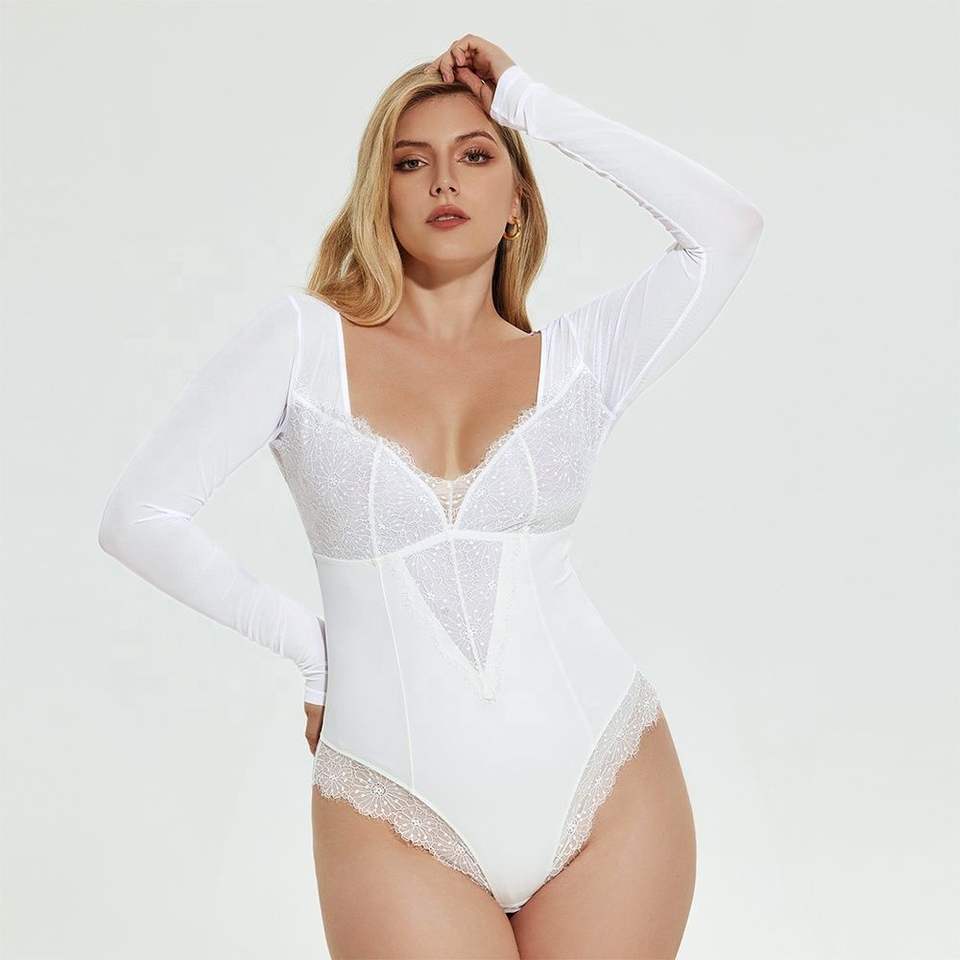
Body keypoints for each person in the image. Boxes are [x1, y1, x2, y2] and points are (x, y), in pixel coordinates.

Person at [98, 34, 763, 960]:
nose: (444, 181)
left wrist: (529, 103)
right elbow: (138, 518)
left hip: (607, 780)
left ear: (518, 199)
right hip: (391, 804)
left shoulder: (583, 360)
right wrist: (312, 654)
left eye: (475, 155)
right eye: (411, 163)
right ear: (381, 195)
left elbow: (726, 228)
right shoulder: (303, 344)